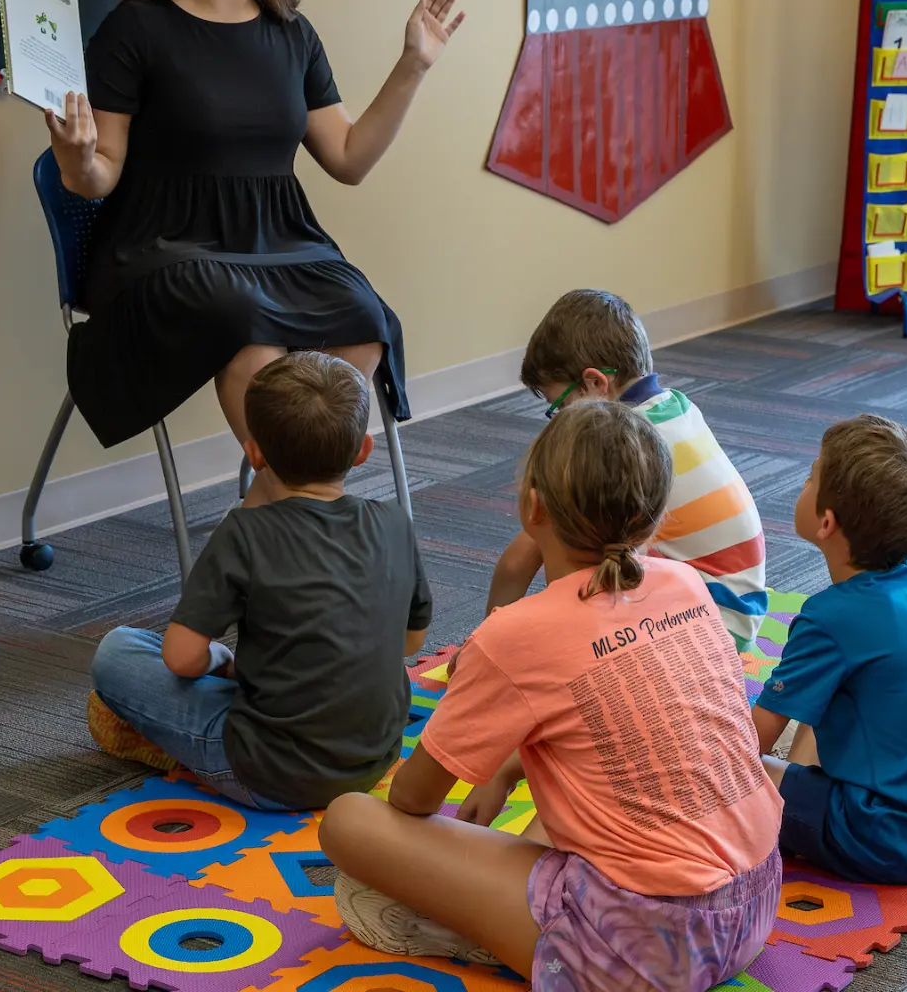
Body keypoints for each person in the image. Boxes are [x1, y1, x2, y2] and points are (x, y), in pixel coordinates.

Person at [44, 0, 464, 505]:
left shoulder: (291, 33)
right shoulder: (135, 31)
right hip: (165, 246)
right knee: (247, 335)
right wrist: (74, 156)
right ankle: (299, 518)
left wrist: (413, 64)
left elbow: (349, 158)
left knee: (362, 317)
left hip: (280, 241)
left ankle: (274, 505)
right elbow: (101, 173)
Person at [319, 401, 783, 992]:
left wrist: (484, 773)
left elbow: (412, 799)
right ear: (654, 516)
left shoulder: (513, 633)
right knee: (581, 800)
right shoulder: (688, 583)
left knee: (349, 819)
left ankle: (491, 935)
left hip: (645, 950)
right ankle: (514, 916)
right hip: (755, 906)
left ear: (532, 507)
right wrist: (508, 769)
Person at [87, 351, 433, 810]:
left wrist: (217, 658)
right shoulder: (392, 520)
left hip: (269, 776)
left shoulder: (243, 533)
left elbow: (180, 658)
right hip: (373, 760)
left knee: (118, 650)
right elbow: (410, 643)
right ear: (363, 451)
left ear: (254, 455)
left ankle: (181, 748)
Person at [753, 414, 907, 885]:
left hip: (890, 838)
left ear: (826, 522)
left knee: (712, 780)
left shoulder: (829, 619)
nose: (802, 482)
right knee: (830, 693)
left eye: (810, 477)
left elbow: (749, 746)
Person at [485, 290, 769, 651]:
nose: (557, 420)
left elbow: (520, 559)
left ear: (595, 384)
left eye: (560, 406)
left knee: (571, 552)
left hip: (708, 628)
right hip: (738, 607)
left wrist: (488, 644)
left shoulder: (625, 448)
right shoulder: (675, 407)